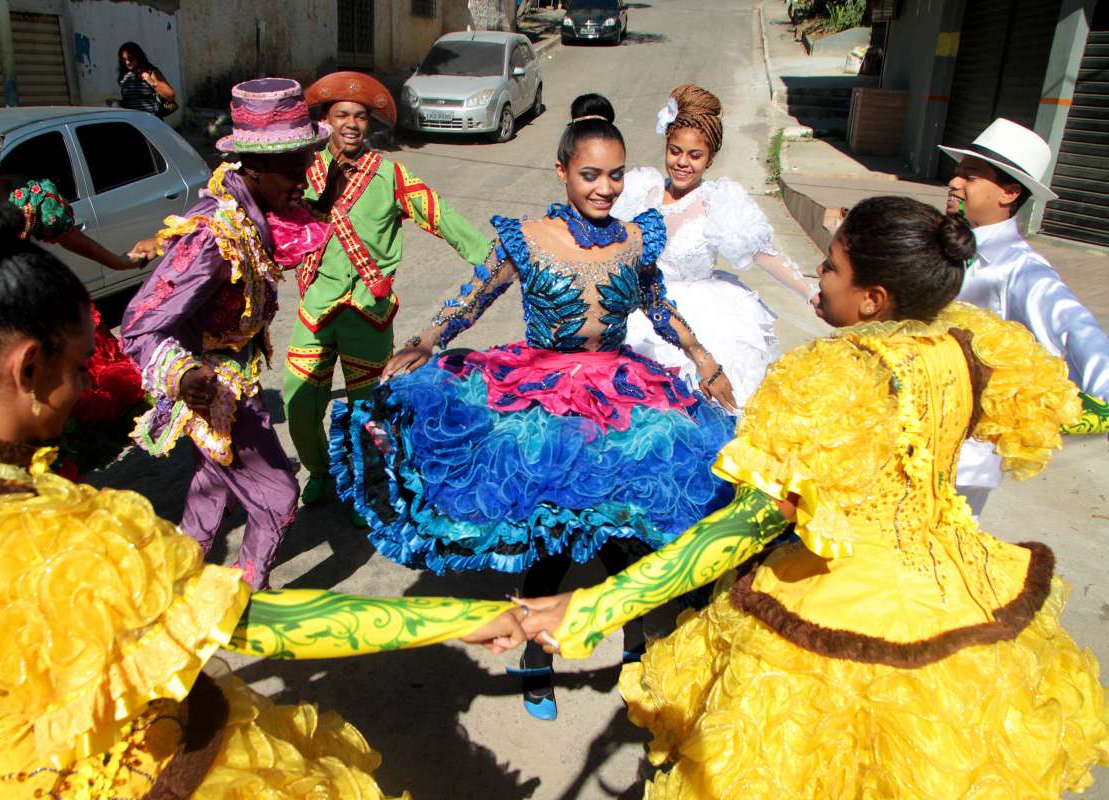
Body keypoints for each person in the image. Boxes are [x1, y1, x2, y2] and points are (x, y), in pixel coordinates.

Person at [0, 199, 526, 798]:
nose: (86, 385)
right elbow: (259, 626)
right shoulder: (56, 535)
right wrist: (465, 617)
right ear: (29, 368)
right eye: (78, 369)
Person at [516, 196, 1107, 798]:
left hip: (838, 615)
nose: (818, 278)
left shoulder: (832, 376)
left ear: (873, 299)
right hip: (963, 601)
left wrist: (603, 602)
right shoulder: (967, 347)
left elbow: (741, 529)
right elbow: (1069, 410)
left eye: (830, 266)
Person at [331, 95, 738, 720]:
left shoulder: (636, 237)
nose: (605, 188)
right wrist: (422, 342)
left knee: (623, 537)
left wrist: (704, 362)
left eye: (616, 174)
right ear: (561, 172)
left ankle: (633, 646)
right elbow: (472, 298)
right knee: (548, 546)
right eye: (591, 175)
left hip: (621, 398)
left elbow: (658, 306)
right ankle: (535, 658)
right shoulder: (524, 238)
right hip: (542, 401)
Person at [123, 77, 332, 591]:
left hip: (234, 380)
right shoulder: (217, 236)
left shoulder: (254, 216)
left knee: (209, 488)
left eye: (306, 162)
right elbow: (140, 323)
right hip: (215, 388)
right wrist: (184, 372)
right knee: (280, 497)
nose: (304, 179)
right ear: (253, 168)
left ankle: (174, 585)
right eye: (292, 168)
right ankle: (241, 591)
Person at [0, 64, 146, 475]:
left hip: (33, 330)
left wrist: (121, 261)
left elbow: (71, 237)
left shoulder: (27, 195)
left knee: (52, 442)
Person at [284, 70, 492, 508]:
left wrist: (491, 261)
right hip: (315, 312)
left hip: (368, 315)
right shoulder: (303, 169)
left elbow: (441, 216)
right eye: (342, 113)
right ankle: (320, 471)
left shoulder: (389, 173)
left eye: (361, 116)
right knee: (298, 405)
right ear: (326, 120)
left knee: (368, 416)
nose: (352, 123)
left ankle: (366, 489)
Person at [941, 117, 1109, 513]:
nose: (955, 183)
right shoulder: (943, 243)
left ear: (1009, 192)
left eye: (971, 176)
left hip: (963, 450)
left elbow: (1075, 329)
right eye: (958, 173)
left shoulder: (1021, 270)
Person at [612, 84, 816, 407]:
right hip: (643, 309)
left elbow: (763, 254)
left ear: (710, 159)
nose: (682, 162)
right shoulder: (641, 190)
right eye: (675, 151)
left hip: (705, 318)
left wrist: (810, 293)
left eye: (695, 155)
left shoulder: (718, 202)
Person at [116, 41, 177, 116]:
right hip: (132, 122)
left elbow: (171, 96)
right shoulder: (124, 76)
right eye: (123, 60)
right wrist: (117, 103)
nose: (127, 62)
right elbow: (131, 102)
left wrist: (151, 82)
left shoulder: (150, 72)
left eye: (130, 59)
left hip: (149, 121)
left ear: (137, 57)